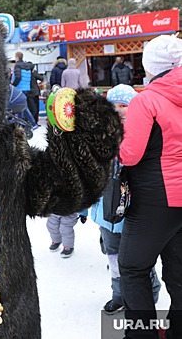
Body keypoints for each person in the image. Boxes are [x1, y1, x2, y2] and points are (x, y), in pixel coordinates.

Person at [118, 34, 182, 339]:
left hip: (156, 197)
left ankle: (140, 334)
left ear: (150, 66)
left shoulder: (147, 100)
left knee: (132, 266)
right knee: (179, 269)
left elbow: (130, 153)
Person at [89, 84, 161, 315]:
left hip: (135, 210)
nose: (119, 111)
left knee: (138, 258)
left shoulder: (145, 133)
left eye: (124, 106)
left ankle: (150, 289)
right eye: (114, 106)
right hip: (106, 213)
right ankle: (119, 295)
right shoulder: (98, 135)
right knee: (114, 257)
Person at [11, 52, 39, 130]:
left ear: (17, 57)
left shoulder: (17, 66)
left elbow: (18, 77)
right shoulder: (28, 66)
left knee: (23, 107)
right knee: (21, 107)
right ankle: (21, 125)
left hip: (19, 89)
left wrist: (13, 85)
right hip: (27, 89)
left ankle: (32, 124)